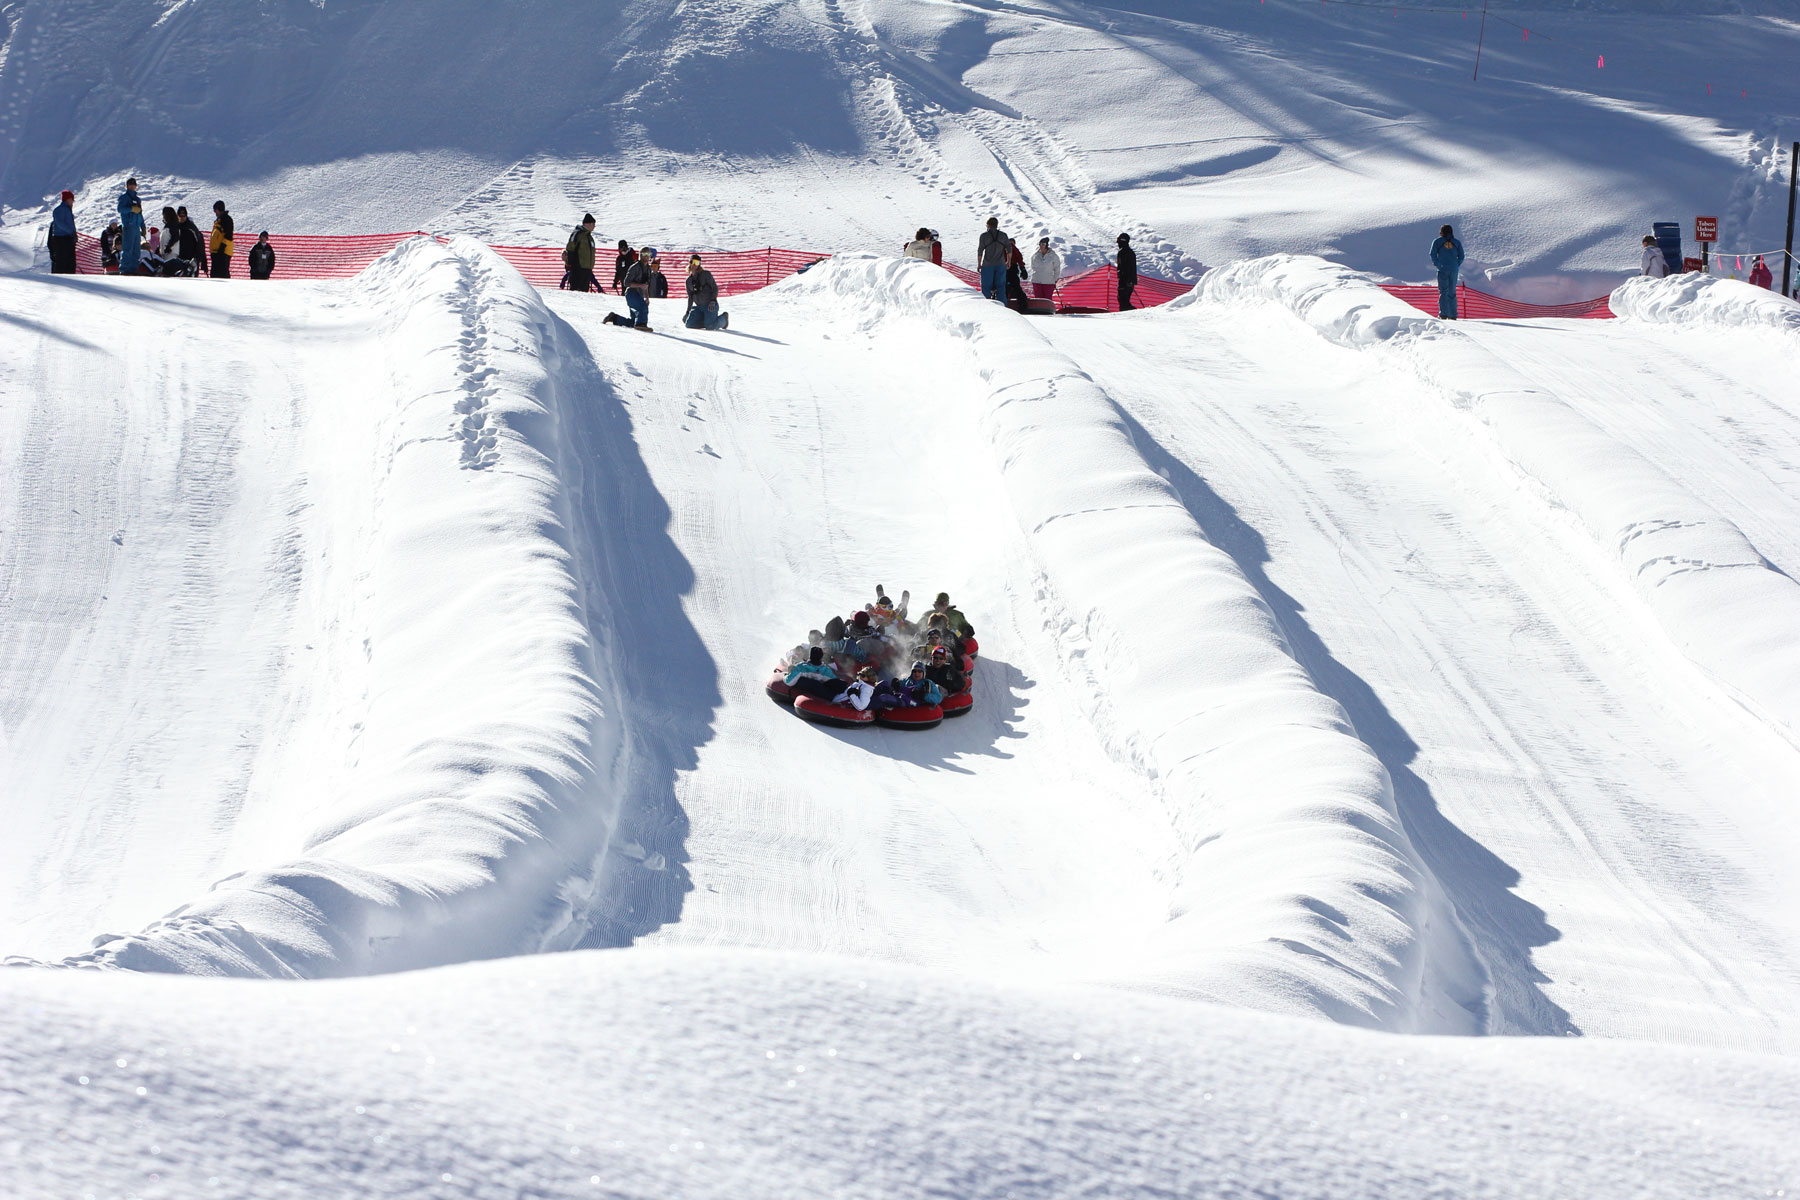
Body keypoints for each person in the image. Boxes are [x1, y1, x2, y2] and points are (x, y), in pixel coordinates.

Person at [607, 246, 656, 331]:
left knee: (633, 322)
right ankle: (641, 324)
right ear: (640, 255)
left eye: (648, 254)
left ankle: (615, 318)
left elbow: (645, 285)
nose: (646, 256)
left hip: (639, 294)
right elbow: (626, 283)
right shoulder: (635, 267)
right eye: (644, 254)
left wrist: (647, 297)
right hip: (631, 293)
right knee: (643, 307)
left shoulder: (648, 269)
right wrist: (639, 285)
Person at [684, 255, 729, 330]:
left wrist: (713, 300)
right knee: (689, 324)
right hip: (699, 307)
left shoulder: (706, 274)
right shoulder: (688, 281)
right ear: (690, 263)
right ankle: (708, 321)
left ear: (699, 264)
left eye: (697, 262)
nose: (694, 264)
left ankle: (724, 319)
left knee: (710, 326)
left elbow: (715, 288)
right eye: (693, 262)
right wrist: (688, 311)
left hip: (710, 306)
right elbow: (690, 297)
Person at [1430, 224, 1464, 320]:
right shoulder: (1456, 242)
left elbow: (1432, 254)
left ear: (1441, 231)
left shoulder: (1437, 241)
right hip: (1454, 269)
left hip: (1442, 269)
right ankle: (1453, 315)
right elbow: (1461, 255)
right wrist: (1456, 264)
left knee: (1443, 291)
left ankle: (1443, 314)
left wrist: (1437, 264)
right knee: (1452, 292)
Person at [116, 179, 145, 276]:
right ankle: (124, 269)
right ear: (127, 186)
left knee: (136, 250)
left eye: (134, 184)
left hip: (136, 226)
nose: (132, 186)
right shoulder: (124, 197)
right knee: (128, 248)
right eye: (130, 184)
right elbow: (120, 209)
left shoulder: (137, 199)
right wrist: (131, 209)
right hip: (128, 225)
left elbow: (140, 213)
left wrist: (143, 226)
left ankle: (133, 269)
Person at [978, 217, 1010, 302]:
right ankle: (1002, 305)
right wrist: (1008, 261)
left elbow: (980, 251)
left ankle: (987, 306)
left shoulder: (984, 236)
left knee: (986, 288)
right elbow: (1009, 249)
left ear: (988, 225)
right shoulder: (1003, 235)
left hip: (987, 265)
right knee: (1001, 288)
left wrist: (979, 264)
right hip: (1001, 264)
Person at [565, 214, 598, 293]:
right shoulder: (577, 234)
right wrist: (569, 264)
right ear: (588, 224)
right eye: (593, 224)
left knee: (584, 293)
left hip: (587, 269)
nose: (594, 226)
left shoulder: (589, 237)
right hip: (578, 268)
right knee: (576, 291)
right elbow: (570, 248)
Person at [48, 190, 78, 274]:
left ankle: (70, 275)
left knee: (70, 262)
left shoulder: (67, 210)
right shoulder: (59, 210)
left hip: (68, 238)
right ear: (67, 199)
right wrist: (71, 232)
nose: (72, 202)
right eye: (72, 199)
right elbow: (60, 223)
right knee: (62, 261)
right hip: (61, 238)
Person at [174, 207, 207, 275]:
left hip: (191, 259)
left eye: (184, 215)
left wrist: (203, 260)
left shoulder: (191, 227)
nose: (182, 218)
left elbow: (200, 243)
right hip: (179, 258)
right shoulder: (175, 227)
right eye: (180, 215)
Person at [209, 200, 235, 278]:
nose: (214, 212)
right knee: (215, 274)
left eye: (215, 210)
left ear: (218, 209)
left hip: (223, 252)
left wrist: (222, 247)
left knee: (222, 273)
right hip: (217, 251)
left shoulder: (226, 219)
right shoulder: (219, 220)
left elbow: (229, 235)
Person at [1005, 240, 1030, 312]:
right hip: (1010, 269)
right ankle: (1023, 306)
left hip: (1006, 269)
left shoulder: (1005, 246)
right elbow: (1019, 258)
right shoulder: (1010, 247)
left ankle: (1005, 305)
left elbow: (1019, 257)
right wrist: (1022, 268)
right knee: (1016, 288)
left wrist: (1022, 268)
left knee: (1006, 288)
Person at [1115, 232, 1138, 311]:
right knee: (1125, 301)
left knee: (1123, 301)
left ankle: (1129, 314)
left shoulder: (1122, 252)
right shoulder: (1130, 252)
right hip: (1129, 281)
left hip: (1125, 281)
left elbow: (1125, 268)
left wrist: (1125, 279)